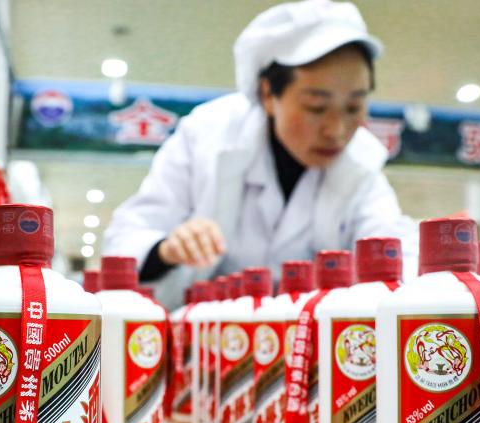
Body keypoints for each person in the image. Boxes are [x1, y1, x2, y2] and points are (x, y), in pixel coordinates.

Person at [103, 0, 411, 307]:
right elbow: (124, 241)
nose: (337, 129)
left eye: (354, 106)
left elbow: (393, 248)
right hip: (203, 336)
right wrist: (166, 249)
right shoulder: (206, 135)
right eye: (316, 107)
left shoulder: (362, 164)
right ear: (268, 95)